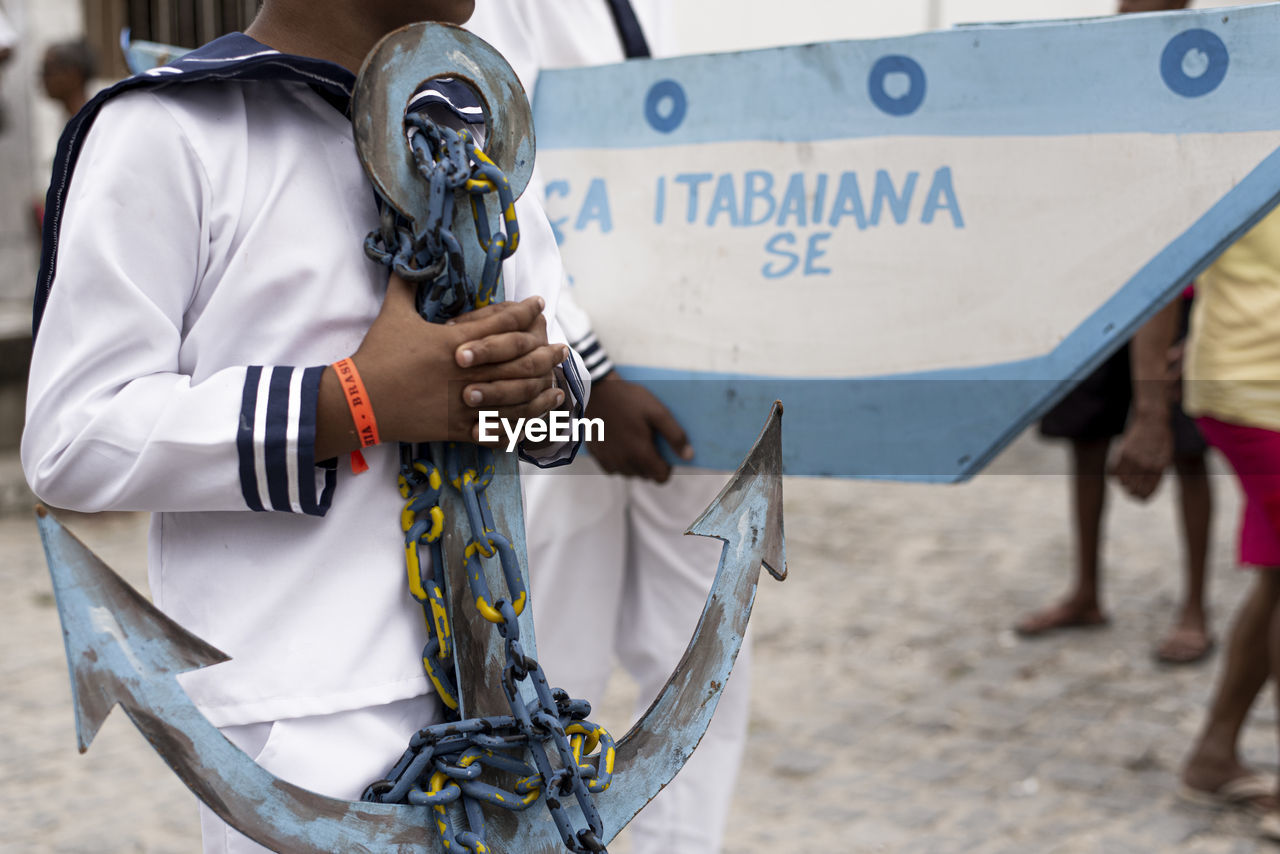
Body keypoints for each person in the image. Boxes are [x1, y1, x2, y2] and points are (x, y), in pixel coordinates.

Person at [21, 1, 589, 851]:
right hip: (291, 727)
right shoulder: (172, 132)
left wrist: (529, 401)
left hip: (502, 712)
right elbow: (73, 436)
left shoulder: (476, 135)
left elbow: (563, 394)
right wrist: (354, 403)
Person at [465, 4, 750, 853]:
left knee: (700, 661)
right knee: (554, 660)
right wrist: (588, 374)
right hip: (565, 389)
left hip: (692, 364)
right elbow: (495, 173)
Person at [1014, 0, 1216, 665]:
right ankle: (1087, 589)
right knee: (1084, 440)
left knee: (1187, 449)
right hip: (1101, 289)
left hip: (1179, 293)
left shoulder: (1203, 76)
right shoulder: (1103, 76)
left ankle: (1194, 606)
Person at [1114, 205, 1280, 832]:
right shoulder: (1242, 130)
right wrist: (1151, 411)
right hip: (1257, 392)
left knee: (1275, 579)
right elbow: (1160, 279)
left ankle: (1212, 757)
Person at [40, 39, 95, 117]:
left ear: (73, 74)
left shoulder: (91, 122)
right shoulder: (74, 120)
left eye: (48, 71)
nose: (44, 78)